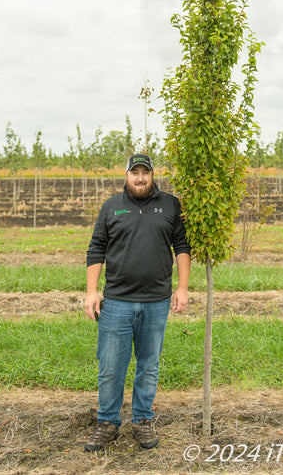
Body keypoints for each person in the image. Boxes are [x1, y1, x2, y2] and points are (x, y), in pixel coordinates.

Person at [84, 153, 191, 452]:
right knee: (110, 366)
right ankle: (107, 422)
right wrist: (92, 291)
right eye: (135, 173)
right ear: (127, 175)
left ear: (153, 174)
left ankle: (142, 420)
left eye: (145, 172)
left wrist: (182, 287)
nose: (140, 178)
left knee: (149, 365)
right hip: (117, 301)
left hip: (157, 301)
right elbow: (96, 249)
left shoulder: (170, 204)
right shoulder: (111, 207)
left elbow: (181, 245)